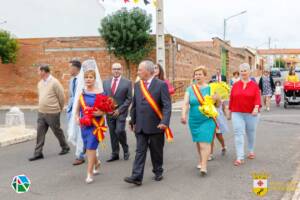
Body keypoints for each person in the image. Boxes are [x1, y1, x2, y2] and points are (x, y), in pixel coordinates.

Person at [124, 60, 172, 186]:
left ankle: (158, 171)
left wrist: (164, 122)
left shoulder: (161, 85)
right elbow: (135, 105)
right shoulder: (138, 85)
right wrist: (131, 120)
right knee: (140, 151)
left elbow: (167, 106)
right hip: (140, 125)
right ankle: (136, 177)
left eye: (140, 70)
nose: (138, 72)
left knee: (156, 151)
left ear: (148, 71)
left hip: (156, 124)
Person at [181, 66, 220, 176]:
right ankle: (201, 159)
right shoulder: (190, 89)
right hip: (194, 120)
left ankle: (204, 165)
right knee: (199, 142)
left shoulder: (211, 88)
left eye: (200, 74)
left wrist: (216, 99)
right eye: (196, 74)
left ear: (205, 76)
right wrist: (183, 114)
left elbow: (218, 104)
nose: (197, 76)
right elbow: (185, 103)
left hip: (207, 119)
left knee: (204, 142)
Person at [29, 64, 70, 161]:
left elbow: (62, 97)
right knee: (40, 133)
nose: (37, 73)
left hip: (52, 112)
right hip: (41, 112)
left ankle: (65, 147)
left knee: (57, 131)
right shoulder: (40, 83)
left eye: (38, 71)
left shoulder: (55, 82)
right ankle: (38, 153)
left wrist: (59, 108)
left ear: (43, 71)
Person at [74, 59, 105, 183]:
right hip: (85, 125)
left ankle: (89, 173)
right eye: (86, 77)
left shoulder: (100, 93)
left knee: (91, 147)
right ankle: (96, 162)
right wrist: (77, 117)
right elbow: (77, 109)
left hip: (96, 125)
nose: (88, 79)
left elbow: (105, 110)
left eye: (90, 77)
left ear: (94, 78)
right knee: (88, 147)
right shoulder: (82, 93)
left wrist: (100, 113)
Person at [228, 63, 261, 166]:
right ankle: (240, 157)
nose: (243, 72)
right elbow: (231, 99)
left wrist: (256, 108)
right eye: (241, 71)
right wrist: (229, 112)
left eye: (245, 70)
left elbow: (257, 98)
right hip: (237, 113)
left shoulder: (254, 85)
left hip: (251, 114)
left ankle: (251, 150)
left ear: (249, 72)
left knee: (251, 133)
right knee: (238, 133)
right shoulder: (235, 85)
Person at [103, 63, 132, 162]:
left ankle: (125, 149)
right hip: (109, 112)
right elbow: (103, 97)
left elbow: (129, 99)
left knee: (119, 131)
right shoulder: (105, 82)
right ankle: (115, 153)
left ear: (121, 70)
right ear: (111, 70)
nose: (116, 71)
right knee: (112, 133)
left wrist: (119, 110)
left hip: (121, 112)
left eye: (118, 69)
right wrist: (106, 108)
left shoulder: (127, 82)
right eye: (114, 69)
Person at [66, 60, 86, 166]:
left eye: (70, 67)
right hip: (71, 109)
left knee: (79, 134)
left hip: (80, 111)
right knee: (73, 131)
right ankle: (83, 150)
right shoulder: (72, 80)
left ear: (75, 68)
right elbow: (71, 95)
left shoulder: (82, 80)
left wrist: (78, 111)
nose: (68, 69)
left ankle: (80, 155)